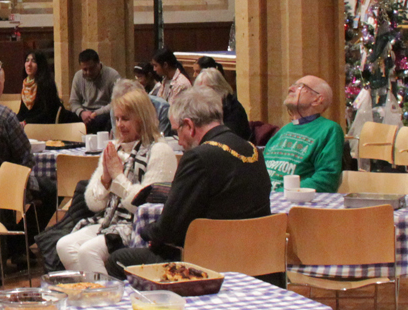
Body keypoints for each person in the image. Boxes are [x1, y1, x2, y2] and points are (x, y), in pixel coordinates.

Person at [109, 88, 273, 279]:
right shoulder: (253, 149)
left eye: (177, 130)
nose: (178, 141)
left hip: (206, 262)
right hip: (258, 260)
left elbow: (169, 230)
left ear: (189, 125)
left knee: (116, 259)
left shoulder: (198, 158)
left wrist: (146, 230)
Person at [54, 88, 177, 279]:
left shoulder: (160, 151)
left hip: (137, 228)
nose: (119, 125)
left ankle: (107, 297)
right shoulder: (116, 148)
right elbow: (94, 204)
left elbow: (143, 206)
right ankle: (96, 290)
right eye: (117, 119)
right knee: (64, 245)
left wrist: (118, 177)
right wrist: (105, 178)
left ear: (142, 119)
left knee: (88, 252)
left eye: (126, 119)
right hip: (109, 221)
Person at [263, 75, 345, 192]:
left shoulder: (329, 129)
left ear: (317, 99)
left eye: (300, 86)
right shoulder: (284, 130)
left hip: (295, 202)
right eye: (293, 85)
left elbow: (326, 180)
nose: (290, 89)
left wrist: (280, 193)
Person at [193, 61, 251, 141]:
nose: (200, 96)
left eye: (204, 92)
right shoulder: (205, 107)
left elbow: (228, 138)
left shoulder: (233, 108)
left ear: (217, 89)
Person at [67, 48, 121, 124]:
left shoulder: (112, 75)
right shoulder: (78, 76)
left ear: (98, 64)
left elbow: (117, 102)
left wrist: (96, 113)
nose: (88, 72)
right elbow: (74, 101)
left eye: (91, 69)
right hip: (85, 113)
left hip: (103, 113)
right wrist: (81, 112)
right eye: (85, 69)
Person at [17, 51, 70, 125]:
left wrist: (27, 122)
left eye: (33, 61)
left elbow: (48, 113)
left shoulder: (47, 84)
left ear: (40, 65)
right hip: (29, 125)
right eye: (27, 60)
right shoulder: (26, 84)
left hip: (44, 126)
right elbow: (22, 112)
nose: (29, 64)